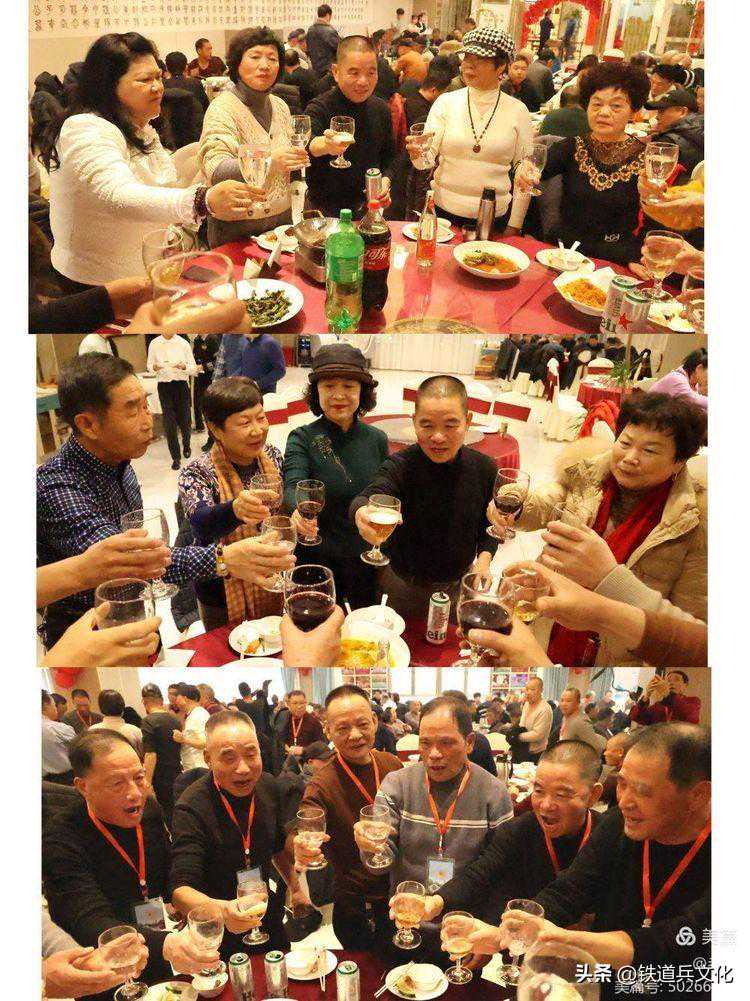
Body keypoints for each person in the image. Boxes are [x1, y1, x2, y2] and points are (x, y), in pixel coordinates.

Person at [37, 355, 288, 648]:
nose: (148, 422)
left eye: (146, 405)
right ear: (88, 424)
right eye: (133, 410)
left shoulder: (120, 464)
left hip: (140, 616)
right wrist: (224, 558)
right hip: (85, 636)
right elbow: (128, 561)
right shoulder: (57, 486)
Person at [457, 724, 710, 989]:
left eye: (643, 791)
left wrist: (558, 938)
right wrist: (507, 933)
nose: (625, 802)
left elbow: (681, 937)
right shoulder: (617, 824)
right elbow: (568, 891)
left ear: (698, 795)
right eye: (622, 784)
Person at [493, 391, 707, 666]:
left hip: (615, 658)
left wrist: (608, 577)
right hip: (549, 626)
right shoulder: (590, 475)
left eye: (649, 451)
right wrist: (516, 502)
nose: (630, 457)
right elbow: (550, 501)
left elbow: (689, 632)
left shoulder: (693, 522)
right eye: (625, 443)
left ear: (679, 461)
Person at [39, 33, 257, 288]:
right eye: (144, 80)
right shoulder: (86, 127)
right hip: (96, 284)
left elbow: (153, 180)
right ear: (107, 85)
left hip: (145, 271)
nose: (158, 87)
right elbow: (116, 194)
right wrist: (202, 200)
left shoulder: (137, 126)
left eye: (158, 77)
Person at [43, 730, 217, 985]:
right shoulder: (60, 837)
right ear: (83, 787)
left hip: (159, 945)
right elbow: (88, 920)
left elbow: (168, 870)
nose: (135, 793)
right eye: (117, 784)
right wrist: (165, 944)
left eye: (139, 777)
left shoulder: (149, 810)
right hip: (107, 969)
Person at [359, 697, 513, 957]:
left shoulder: (494, 792)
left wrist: (487, 932)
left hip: (464, 929)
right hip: (406, 922)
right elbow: (381, 863)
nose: (434, 754)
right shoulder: (397, 784)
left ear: (469, 742)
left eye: (446, 743)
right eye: (425, 743)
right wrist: (370, 847)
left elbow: (500, 871)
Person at [350, 375, 506, 621]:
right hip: (402, 585)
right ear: (414, 422)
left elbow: (489, 524)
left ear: (468, 421)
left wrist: (484, 561)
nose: (438, 437)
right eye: (427, 425)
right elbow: (370, 495)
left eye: (450, 425)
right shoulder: (400, 465)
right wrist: (361, 512)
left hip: (459, 585)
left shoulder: (485, 468)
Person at [169, 711, 306, 956]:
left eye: (251, 754)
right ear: (208, 758)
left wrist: (295, 888)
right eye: (228, 757)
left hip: (266, 914)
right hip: (219, 928)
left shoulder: (267, 785)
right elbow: (180, 890)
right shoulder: (191, 806)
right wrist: (225, 912)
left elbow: (277, 848)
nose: (243, 769)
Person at [423, 740, 604, 924]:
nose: (546, 805)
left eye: (561, 795)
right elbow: (480, 872)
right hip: (521, 934)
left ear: (593, 795)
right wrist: (436, 901)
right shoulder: (518, 830)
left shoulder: (608, 835)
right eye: (539, 791)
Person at [290, 684, 403, 948]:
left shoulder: (392, 765)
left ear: (374, 721)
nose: (355, 735)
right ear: (328, 730)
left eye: (362, 724)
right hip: (356, 904)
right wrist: (301, 843)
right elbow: (307, 819)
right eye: (342, 728)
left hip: (398, 896)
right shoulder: (322, 783)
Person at [177, 376, 293, 630]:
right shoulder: (197, 472)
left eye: (261, 418)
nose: (257, 430)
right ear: (216, 429)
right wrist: (235, 510)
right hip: (221, 590)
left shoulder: (272, 455)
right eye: (245, 422)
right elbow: (200, 524)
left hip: (273, 576)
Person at [283, 343, 389, 609]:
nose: (338, 395)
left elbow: (384, 491)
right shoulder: (302, 437)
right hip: (316, 558)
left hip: (364, 557)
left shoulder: (377, 439)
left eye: (349, 386)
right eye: (329, 386)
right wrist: (298, 510)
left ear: (362, 392)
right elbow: (293, 484)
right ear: (316, 391)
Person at [516, 61, 651, 264]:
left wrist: (637, 257)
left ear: (633, 111)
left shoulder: (644, 158)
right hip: (565, 252)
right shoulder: (572, 147)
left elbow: (654, 219)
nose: (603, 112)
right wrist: (523, 168)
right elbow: (533, 170)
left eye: (616, 106)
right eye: (596, 104)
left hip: (617, 256)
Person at [405, 28, 533, 232]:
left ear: (501, 66)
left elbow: (526, 174)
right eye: (466, 57)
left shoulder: (518, 111)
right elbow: (425, 162)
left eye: (479, 59)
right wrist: (417, 154)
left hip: (495, 218)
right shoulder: (446, 102)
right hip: (443, 215)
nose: (468, 65)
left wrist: (514, 225)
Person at [198, 27, 308, 248]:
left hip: (281, 230)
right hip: (236, 232)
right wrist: (270, 160)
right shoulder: (222, 108)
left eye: (272, 59)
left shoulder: (280, 106)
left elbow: (290, 164)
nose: (264, 65)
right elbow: (216, 169)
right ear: (237, 64)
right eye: (255, 57)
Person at [306, 35, 396, 218]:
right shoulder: (319, 107)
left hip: (367, 210)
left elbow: (389, 158)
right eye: (354, 73)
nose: (363, 81)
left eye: (371, 73)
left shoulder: (381, 109)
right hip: (324, 214)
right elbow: (308, 145)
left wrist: (386, 181)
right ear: (336, 72)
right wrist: (326, 145)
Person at [147, 331, 198, 470]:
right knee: (169, 424)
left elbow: (193, 368)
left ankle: (186, 445)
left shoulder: (183, 343)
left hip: (181, 385)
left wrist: (184, 366)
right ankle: (175, 457)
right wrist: (154, 367)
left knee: (185, 420)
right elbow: (149, 366)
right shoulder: (154, 343)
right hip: (164, 386)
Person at [141, 684, 183, 825]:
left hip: (161, 776)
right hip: (176, 770)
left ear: (144, 701)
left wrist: (147, 782)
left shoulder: (148, 721)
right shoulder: (174, 719)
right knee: (177, 809)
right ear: (161, 699)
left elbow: (150, 754)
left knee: (167, 813)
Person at [645, 88, 704, 177]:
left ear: (682, 112)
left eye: (661, 111)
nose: (657, 117)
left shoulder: (667, 143)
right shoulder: (699, 130)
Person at [630, 671, 701, 726]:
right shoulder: (658, 706)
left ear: (685, 685)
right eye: (668, 680)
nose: (671, 683)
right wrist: (647, 695)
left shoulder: (693, 701)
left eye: (676, 679)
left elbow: (692, 718)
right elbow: (637, 717)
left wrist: (667, 695)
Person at [90, 690, 144, 755]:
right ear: (122, 707)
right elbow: (144, 755)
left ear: (101, 708)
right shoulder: (135, 731)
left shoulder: (92, 731)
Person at [172, 684, 210, 770]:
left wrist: (183, 739)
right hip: (193, 767)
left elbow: (205, 742)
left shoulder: (199, 714)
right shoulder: (193, 714)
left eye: (177, 697)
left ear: (184, 698)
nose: (176, 701)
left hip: (199, 767)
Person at [557, 687, 606, 753]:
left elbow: (597, 748)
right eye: (562, 700)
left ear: (577, 703)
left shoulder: (580, 722)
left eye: (568, 701)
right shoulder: (565, 718)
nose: (564, 704)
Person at [42, 692, 76, 785]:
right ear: (46, 706)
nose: (56, 710)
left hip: (44, 784)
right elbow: (80, 750)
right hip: (67, 779)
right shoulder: (59, 729)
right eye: (54, 705)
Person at [518, 677, 553, 762]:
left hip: (537, 754)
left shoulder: (545, 709)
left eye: (532, 689)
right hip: (523, 750)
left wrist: (516, 736)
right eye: (527, 689)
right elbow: (522, 725)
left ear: (541, 690)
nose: (528, 692)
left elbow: (537, 735)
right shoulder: (526, 704)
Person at [192, 334, 220, 438]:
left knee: (209, 409)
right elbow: (195, 357)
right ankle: (206, 431)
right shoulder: (197, 340)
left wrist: (203, 366)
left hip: (210, 379)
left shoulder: (212, 339)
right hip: (199, 377)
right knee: (200, 405)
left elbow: (217, 361)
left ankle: (213, 437)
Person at [600, 730, 637, 807]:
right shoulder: (634, 770)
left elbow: (596, 795)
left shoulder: (616, 778)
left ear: (620, 752)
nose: (604, 753)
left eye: (607, 749)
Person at [283, 690, 326, 756]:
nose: (299, 706)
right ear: (289, 704)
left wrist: (304, 750)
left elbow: (321, 746)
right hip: (286, 758)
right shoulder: (283, 720)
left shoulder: (314, 722)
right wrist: (283, 746)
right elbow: (278, 739)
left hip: (307, 759)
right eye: (295, 703)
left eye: (302, 703)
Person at [307, 4, 341, 76]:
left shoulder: (310, 30)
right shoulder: (329, 31)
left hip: (315, 68)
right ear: (328, 15)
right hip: (328, 70)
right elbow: (340, 47)